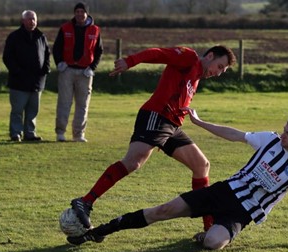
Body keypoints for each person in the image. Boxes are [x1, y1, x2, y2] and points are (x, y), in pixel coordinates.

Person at [67, 112, 288, 250]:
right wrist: (200, 122)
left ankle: (205, 236)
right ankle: (99, 233)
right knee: (163, 211)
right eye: (283, 129)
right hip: (223, 191)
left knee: (213, 243)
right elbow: (234, 134)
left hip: (241, 212)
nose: (282, 135)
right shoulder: (269, 139)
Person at [69, 44, 237, 233]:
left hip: (171, 125)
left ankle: (209, 227)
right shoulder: (189, 57)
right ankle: (85, 202)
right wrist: (130, 61)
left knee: (201, 165)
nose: (219, 73)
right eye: (220, 66)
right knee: (133, 162)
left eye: (223, 70)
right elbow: (159, 53)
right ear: (210, 56)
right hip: (155, 116)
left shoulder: (197, 76)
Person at [52, 2, 103, 142]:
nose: (80, 14)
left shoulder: (95, 30)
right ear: (74, 13)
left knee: (83, 104)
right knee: (64, 103)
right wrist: (59, 63)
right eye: (77, 12)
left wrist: (92, 68)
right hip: (67, 70)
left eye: (82, 12)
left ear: (87, 13)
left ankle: (78, 134)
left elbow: (99, 51)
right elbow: (57, 48)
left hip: (85, 72)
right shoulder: (65, 28)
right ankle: (60, 133)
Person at [2, 10, 50, 142]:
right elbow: (7, 57)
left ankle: (30, 133)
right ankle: (16, 133)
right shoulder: (14, 37)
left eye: (34, 19)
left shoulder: (41, 36)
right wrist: (17, 71)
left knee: (33, 110)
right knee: (17, 110)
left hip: (36, 80)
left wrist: (45, 70)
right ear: (23, 21)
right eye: (29, 19)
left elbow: (47, 54)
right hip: (19, 81)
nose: (32, 21)